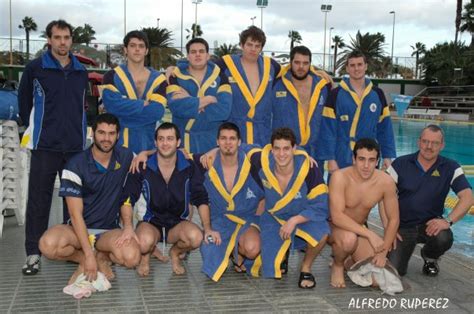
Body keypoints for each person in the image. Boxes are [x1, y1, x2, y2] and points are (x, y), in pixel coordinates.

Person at [18, 19, 89, 275]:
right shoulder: (35, 68)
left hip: (74, 149)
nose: (62, 42)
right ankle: (33, 254)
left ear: (71, 40)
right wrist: (38, 129)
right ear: (49, 40)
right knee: (39, 200)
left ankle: (70, 248)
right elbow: (25, 103)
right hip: (45, 147)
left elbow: (86, 107)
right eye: (57, 37)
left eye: (66, 37)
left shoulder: (81, 71)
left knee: (75, 203)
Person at [38, 113, 140, 284]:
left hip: (108, 231)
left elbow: (155, 156)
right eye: (101, 132)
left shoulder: (125, 157)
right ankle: (85, 260)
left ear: (118, 136)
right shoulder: (75, 165)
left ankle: (101, 257)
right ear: (92, 133)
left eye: (111, 133)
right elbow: (75, 214)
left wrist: (146, 153)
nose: (106, 138)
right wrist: (87, 255)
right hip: (78, 230)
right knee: (47, 245)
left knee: (131, 258)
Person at [120, 122, 213, 276]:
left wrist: (207, 227)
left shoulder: (189, 166)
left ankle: (175, 253)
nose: (165, 143)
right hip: (151, 223)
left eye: (170, 139)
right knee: (142, 243)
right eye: (161, 139)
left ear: (178, 142)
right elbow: (127, 199)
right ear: (155, 142)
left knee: (196, 237)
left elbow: (200, 197)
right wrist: (128, 227)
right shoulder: (142, 166)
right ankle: (145, 256)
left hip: (178, 224)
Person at [387, 125, 473, 277]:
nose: (429, 146)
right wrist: (389, 227)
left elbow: (467, 196)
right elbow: (383, 196)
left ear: (442, 145)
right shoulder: (400, 164)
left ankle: (430, 257)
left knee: (444, 237)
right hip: (402, 227)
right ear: (418, 142)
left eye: (435, 143)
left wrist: (447, 221)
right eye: (425, 141)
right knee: (394, 271)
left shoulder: (450, 167)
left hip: (430, 226)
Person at [255, 128, 330, 289]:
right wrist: (213, 151)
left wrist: (294, 220)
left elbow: (321, 204)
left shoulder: (308, 169)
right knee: (269, 267)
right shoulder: (262, 161)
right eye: (277, 148)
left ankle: (306, 267)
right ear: (271, 149)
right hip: (274, 218)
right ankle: (284, 252)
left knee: (323, 233)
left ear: (294, 149)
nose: (281, 154)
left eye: (286, 148)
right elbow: (239, 148)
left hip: (301, 217)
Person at [196, 122, 264, 281]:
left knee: (252, 248)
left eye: (232, 138)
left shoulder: (252, 161)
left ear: (240, 142)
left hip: (247, 218)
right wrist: (145, 154)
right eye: (223, 138)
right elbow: (176, 154)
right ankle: (231, 252)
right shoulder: (206, 163)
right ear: (217, 141)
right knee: (210, 256)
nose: (228, 143)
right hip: (220, 221)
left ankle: (238, 253)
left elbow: (278, 154)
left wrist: (257, 222)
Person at [328, 138, 399, 288]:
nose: (366, 166)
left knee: (378, 280)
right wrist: (370, 234)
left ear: (377, 161)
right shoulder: (340, 177)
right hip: (332, 228)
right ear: (354, 159)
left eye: (371, 160)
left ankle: (348, 260)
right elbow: (337, 216)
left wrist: (383, 251)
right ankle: (338, 264)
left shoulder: (386, 182)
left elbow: (393, 219)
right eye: (361, 159)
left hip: (358, 232)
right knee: (348, 239)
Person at [318, 51, 396, 173]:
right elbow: (328, 130)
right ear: (347, 68)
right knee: (339, 191)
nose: (356, 68)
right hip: (342, 155)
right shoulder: (335, 94)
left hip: (369, 155)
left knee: (368, 191)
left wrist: (387, 156)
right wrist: (330, 159)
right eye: (352, 65)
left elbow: (385, 128)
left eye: (359, 64)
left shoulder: (377, 94)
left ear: (366, 66)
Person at [101, 30, 166, 154]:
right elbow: (112, 106)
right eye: (132, 45)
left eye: (141, 46)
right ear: (125, 49)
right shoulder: (111, 76)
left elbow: (157, 112)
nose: (137, 49)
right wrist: (142, 104)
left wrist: (123, 115)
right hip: (118, 147)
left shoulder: (159, 80)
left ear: (146, 51)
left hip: (149, 147)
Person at [215, 26, 281, 145]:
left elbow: (294, 71)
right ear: (241, 45)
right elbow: (201, 69)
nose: (253, 49)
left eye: (257, 46)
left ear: (261, 48)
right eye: (249, 45)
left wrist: (318, 72)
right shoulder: (226, 64)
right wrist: (174, 69)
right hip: (234, 132)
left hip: (262, 133)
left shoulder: (271, 66)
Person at [167, 38, 232, 153]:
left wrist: (190, 101)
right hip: (183, 145)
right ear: (187, 56)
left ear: (207, 55)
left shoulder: (221, 77)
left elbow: (224, 110)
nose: (197, 55)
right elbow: (176, 107)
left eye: (201, 51)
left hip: (212, 145)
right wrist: (208, 99)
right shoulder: (174, 76)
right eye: (193, 52)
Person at [272, 45, 331, 166]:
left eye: (305, 63)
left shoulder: (323, 86)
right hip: (286, 152)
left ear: (310, 64)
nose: (301, 67)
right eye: (297, 62)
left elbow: (330, 122)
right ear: (290, 62)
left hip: (315, 151)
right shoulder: (276, 84)